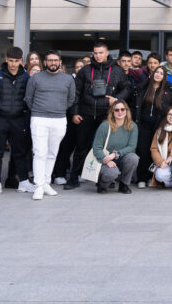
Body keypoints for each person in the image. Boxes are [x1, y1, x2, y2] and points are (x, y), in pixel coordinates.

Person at [64, 41, 130, 191]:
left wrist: (117, 100)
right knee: (81, 147)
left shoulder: (117, 70)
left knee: (107, 148)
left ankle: (106, 179)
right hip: (86, 114)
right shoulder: (85, 70)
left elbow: (127, 88)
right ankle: (74, 178)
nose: (98, 55)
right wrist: (74, 112)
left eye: (101, 52)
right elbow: (76, 92)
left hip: (106, 115)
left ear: (107, 53)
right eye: (96, 52)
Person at [25, 51, 77, 201]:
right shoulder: (35, 78)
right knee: (40, 153)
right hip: (39, 118)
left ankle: (46, 183)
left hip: (59, 119)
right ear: (45, 62)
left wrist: (58, 109)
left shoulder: (68, 79)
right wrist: (41, 109)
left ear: (60, 62)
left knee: (52, 153)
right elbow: (29, 99)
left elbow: (71, 99)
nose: (53, 63)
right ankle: (39, 186)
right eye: (50, 60)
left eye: (56, 60)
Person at [0, 47, 32, 197]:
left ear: (21, 61)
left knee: (20, 152)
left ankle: (24, 181)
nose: (13, 64)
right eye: (11, 60)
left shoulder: (26, 77)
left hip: (18, 119)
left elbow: (29, 99)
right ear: (6, 60)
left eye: (16, 61)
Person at [134, 66, 172, 187]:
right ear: (153, 74)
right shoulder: (144, 87)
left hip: (159, 125)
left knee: (155, 150)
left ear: (164, 77)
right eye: (156, 72)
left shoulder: (169, 89)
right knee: (143, 150)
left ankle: (151, 177)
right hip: (143, 124)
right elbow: (136, 105)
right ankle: (141, 178)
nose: (158, 75)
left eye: (161, 73)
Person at [92, 101, 139, 194]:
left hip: (120, 158)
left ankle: (124, 184)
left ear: (126, 111)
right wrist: (107, 160)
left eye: (122, 109)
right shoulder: (105, 126)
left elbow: (132, 146)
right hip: (105, 159)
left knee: (133, 158)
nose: (120, 112)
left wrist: (115, 154)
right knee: (112, 173)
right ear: (112, 112)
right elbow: (96, 147)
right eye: (116, 110)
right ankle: (102, 184)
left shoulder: (133, 126)